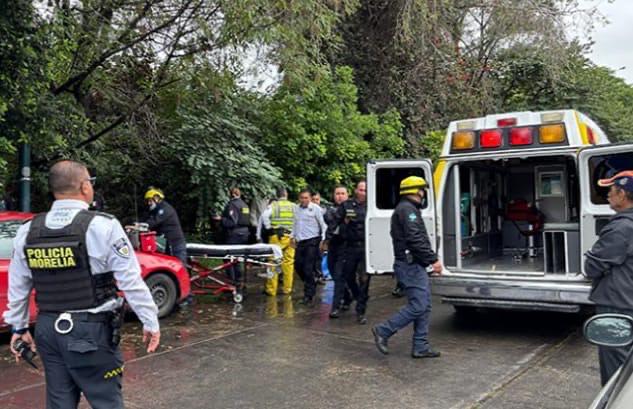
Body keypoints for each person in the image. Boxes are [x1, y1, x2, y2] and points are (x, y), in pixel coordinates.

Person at [3, 160, 160, 409]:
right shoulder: (103, 226)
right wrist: (149, 320)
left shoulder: (28, 230)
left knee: (59, 402)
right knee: (106, 401)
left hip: (48, 330)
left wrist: (19, 328)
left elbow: (18, 285)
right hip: (91, 331)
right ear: (84, 186)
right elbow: (129, 280)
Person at [372, 176, 442, 358]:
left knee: (424, 306)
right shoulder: (407, 210)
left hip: (414, 264)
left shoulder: (407, 209)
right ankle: (383, 330)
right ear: (417, 191)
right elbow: (414, 238)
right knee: (418, 305)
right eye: (423, 190)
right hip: (410, 265)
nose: (424, 193)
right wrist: (433, 259)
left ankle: (421, 346)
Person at [584, 170, 633, 386]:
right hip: (627, 299)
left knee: (617, 368)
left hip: (617, 305)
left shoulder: (621, 228)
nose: (607, 196)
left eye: (611, 191)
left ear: (622, 194)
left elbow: (592, 266)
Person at [326, 180, 370, 324]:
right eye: (361, 189)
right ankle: (337, 306)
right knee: (344, 276)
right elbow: (335, 222)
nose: (363, 192)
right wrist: (326, 240)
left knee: (364, 280)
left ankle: (361, 312)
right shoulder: (347, 205)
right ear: (356, 190)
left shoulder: (373, 207)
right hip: (349, 247)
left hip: (366, 248)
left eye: (365, 190)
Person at [292, 189, 327, 305]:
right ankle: (311, 282)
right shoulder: (296, 209)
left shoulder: (315, 209)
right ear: (299, 198)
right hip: (300, 241)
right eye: (302, 198)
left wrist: (323, 239)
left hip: (312, 241)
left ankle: (309, 295)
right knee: (297, 266)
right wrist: (293, 237)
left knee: (308, 268)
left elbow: (323, 224)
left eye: (306, 198)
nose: (304, 200)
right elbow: (295, 224)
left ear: (310, 198)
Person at [323, 185, 353, 318]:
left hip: (346, 245)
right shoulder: (330, 209)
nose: (339, 196)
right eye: (337, 193)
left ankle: (335, 307)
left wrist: (342, 221)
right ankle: (347, 296)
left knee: (339, 275)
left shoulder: (351, 208)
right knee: (333, 272)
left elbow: (352, 223)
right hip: (333, 244)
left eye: (342, 193)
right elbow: (330, 220)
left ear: (347, 195)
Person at [262, 187, 296, 296]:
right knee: (288, 263)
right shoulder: (293, 206)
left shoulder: (273, 206)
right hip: (290, 236)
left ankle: (271, 290)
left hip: (276, 237)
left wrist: (268, 227)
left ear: (277, 195)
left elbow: (264, 216)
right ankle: (287, 289)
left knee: (273, 262)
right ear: (286, 195)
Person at [144, 187, 187, 266]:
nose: (148, 203)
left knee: (180, 267)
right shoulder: (156, 210)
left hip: (176, 243)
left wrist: (141, 226)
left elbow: (153, 222)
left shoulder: (165, 209)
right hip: (168, 244)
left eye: (150, 200)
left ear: (156, 198)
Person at [221, 187, 251, 287]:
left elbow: (232, 222)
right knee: (238, 258)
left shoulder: (232, 205)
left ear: (232, 194)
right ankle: (239, 280)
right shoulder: (245, 205)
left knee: (229, 258)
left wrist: (222, 220)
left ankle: (232, 281)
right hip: (245, 234)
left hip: (234, 235)